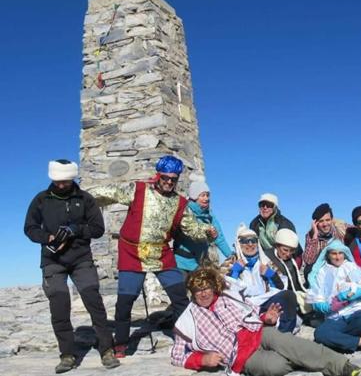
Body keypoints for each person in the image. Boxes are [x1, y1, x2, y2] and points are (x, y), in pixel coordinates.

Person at [90, 155, 217, 357]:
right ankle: (121, 344)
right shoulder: (138, 190)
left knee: (180, 298)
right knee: (125, 301)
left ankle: (187, 339)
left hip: (161, 254)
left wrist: (206, 231)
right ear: (158, 175)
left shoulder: (180, 203)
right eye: (165, 177)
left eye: (173, 179)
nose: (169, 182)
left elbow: (191, 228)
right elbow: (109, 193)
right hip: (132, 252)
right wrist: (80, 196)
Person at [170, 266, 361, 376]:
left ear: (214, 287)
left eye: (207, 288)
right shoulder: (187, 320)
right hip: (240, 356)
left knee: (289, 342)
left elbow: (252, 312)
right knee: (275, 366)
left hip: (258, 332)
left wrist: (265, 318)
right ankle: (309, 358)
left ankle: (340, 365)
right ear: (192, 293)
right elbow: (178, 355)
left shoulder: (227, 298)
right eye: (197, 290)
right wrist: (202, 359)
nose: (203, 294)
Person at [24, 159, 120, 373]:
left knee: (93, 299)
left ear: (73, 178)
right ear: (52, 178)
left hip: (81, 258)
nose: (61, 185)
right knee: (59, 304)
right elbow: (29, 228)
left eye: (65, 181)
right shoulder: (41, 200)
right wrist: (47, 237)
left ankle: (107, 350)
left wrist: (75, 230)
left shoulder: (85, 199)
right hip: (52, 260)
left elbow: (97, 228)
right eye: (57, 181)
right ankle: (67, 355)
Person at [307, 240, 361, 355]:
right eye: (334, 253)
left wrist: (345, 297)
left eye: (340, 253)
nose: (337, 257)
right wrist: (329, 307)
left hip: (355, 310)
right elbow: (317, 299)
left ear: (344, 254)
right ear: (328, 255)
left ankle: (340, 342)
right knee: (320, 333)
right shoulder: (321, 272)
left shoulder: (350, 267)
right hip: (335, 316)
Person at [226, 224, 298, 333]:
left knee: (288, 296)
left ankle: (284, 333)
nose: (250, 244)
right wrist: (234, 272)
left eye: (253, 240)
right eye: (245, 241)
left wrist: (271, 275)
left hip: (263, 302)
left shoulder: (265, 261)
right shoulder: (230, 262)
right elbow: (221, 288)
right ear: (238, 244)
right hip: (241, 306)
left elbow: (281, 286)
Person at [173, 179, 232, 276]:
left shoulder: (210, 216)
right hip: (181, 262)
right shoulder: (184, 211)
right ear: (194, 197)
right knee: (181, 291)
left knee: (202, 290)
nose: (206, 198)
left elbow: (219, 238)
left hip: (199, 264)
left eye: (208, 195)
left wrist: (230, 255)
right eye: (202, 195)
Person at [264, 229, 312, 315]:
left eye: (292, 251)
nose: (288, 254)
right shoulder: (267, 259)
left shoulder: (292, 260)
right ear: (277, 246)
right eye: (285, 250)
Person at [302, 203, 348, 280]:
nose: (325, 224)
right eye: (321, 221)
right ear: (316, 223)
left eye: (327, 220)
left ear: (332, 220)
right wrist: (315, 236)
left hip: (339, 266)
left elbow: (359, 228)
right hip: (321, 270)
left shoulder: (341, 229)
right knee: (309, 270)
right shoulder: (311, 235)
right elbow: (308, 261)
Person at [250, 193, 302, 259]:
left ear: (275, 207)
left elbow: (290, 249)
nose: (265, 207)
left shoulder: (285, 224)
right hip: (266, 259)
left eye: (269, 205)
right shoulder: (254, 224)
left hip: (288, 258)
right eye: (262, 205)